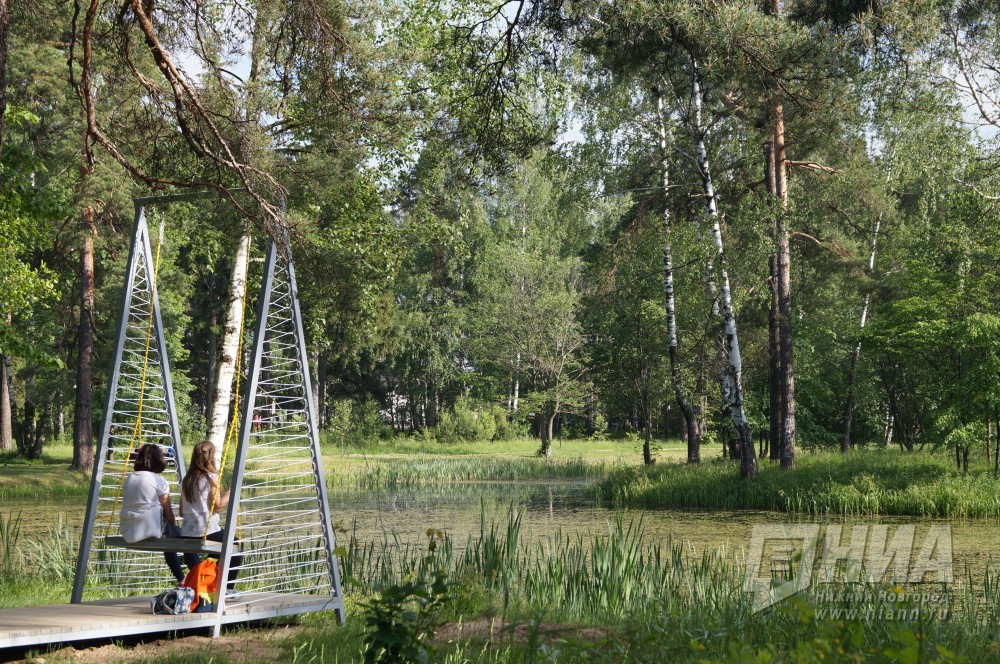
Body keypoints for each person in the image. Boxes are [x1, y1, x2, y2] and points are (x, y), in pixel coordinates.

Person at [119, 443, 198, 583]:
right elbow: (168, 510)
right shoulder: (158, 480)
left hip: (129, 529)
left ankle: (182, 580)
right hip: (150, 526)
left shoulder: (129, 478)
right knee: (189, 539)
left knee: (169, 541)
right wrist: (173, 523)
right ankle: (198, 578)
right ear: (158, 460)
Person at [179, 440, 242, 591]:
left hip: (186, 533)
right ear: (212, 456)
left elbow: (181, 511)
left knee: (219, 548)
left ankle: (207, 583)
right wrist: (232, 491)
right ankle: (227, 588)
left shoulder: (186, 480)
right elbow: (217, 507)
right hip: (207, 531)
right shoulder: (211, 478)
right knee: (236, 545)